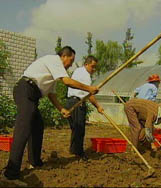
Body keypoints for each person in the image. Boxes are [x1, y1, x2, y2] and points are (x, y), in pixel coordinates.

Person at [3, 46, 99, 180]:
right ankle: (11, 173)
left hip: (32, 95)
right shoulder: (54, 60)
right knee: (23, 128)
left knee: (37, 126)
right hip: (25, 89)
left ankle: (34, 161)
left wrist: (61, 109)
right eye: (70, 61)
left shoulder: (54, 73)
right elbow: (67, 81)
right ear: (64, 56)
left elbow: (51, 94)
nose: (70, 65)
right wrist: (89, 88)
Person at [66, 55, 104, 161]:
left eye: (95, 67)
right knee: (79, 129)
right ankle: (79, 153)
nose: (94, 69)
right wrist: (98, 106)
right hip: (77, 103)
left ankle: (74, 150)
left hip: (70, 102)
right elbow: (90, 94)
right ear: (86, 64)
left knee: (75, 128)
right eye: (92, 66)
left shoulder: (78, 71)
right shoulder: (85, 74)